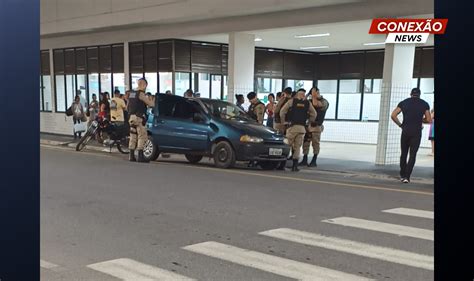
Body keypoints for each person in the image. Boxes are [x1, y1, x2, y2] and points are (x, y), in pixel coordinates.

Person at [391, 88, 432, 183]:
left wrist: (400, 125)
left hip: (405, 131)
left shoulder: (404, 102)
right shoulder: (424, 104)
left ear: (411, 94)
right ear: (419, 94)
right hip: (416, 132)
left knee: (403, 154)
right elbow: (429, 120)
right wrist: (420, 120)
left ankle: (402, 174)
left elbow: (393, 115)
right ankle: (407, 177)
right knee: (412, 155)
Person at [280, 88, 317, 172]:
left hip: (291, 127)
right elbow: (314, 114)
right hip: (302, 128)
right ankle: (294, 166)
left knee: (287, 145)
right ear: (304, 95)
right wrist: (309, 122)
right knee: (297, 147)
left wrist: (283, 122)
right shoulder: (308, 103)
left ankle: (282, 164)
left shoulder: (292, 101)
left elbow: (282, 111)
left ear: (297, 94)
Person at [300, 87, 329, 167]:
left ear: (318, 92)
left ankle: (314, 160)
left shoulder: (324, 102)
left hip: (316, 126)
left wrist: (314, 96)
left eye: (314, 92)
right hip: (308, 126)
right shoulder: (310, 101)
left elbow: (316, 104)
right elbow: (303, 103)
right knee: (305, 143)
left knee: (315, 143)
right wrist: (307, 95)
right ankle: (304, 159)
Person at [128, 78, 155, 163]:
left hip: (131, 117)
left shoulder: (132, 93)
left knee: (133, 136)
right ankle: (140, 156)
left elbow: (127, 106)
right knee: (142, 135)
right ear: (144, 85)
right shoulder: (141, 94)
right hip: (139, 117)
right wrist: (151, 99)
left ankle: (131, 156)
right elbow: (151, 104)